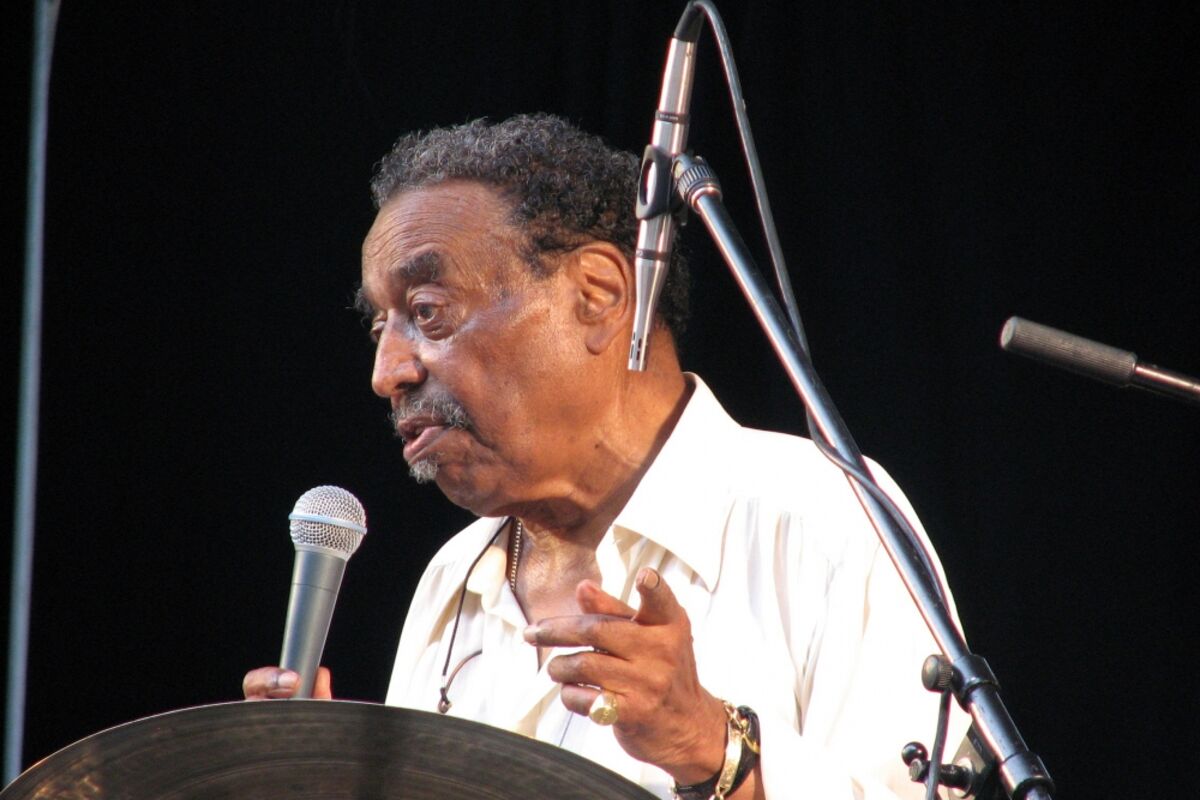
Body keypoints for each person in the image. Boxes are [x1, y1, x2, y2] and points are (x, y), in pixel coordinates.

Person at [244, 113, 969, 799]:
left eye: (428, 311)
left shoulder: (818, 517)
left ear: (598, 293)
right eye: (381, 326)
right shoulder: (452, 580)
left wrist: (712, 749)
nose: (388, 372)